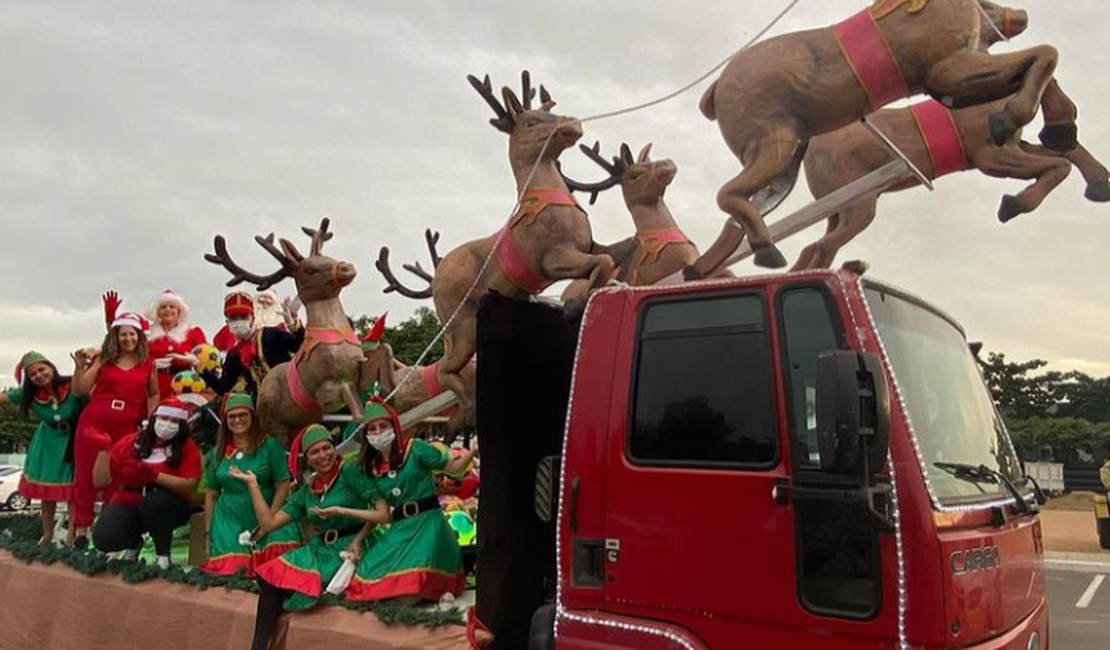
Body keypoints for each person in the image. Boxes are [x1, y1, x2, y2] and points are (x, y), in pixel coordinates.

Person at [229, 424, 389, 650]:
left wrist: (355, 532)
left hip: (352, 547)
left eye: (327, 448)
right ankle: (258, 646)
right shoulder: (306, 491)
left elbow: (380, 514)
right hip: (321, 549)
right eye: (315, 451)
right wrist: (253, 485)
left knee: (283, 585)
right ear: (307, 458)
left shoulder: (349, 471)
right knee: (268, 575)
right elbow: (268, 524)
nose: (323, 455)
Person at [347, 399, 475, 604]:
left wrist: (473, 451)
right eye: (372, 429)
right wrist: (358, 539)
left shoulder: (416, 449)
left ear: (394, 427)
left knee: (412, 586)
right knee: (364, 580)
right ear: (366, 435)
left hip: (428, 525)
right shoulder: (370, 470)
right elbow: (381, 513)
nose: (378, 432)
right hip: (399, 527)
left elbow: (454, 469)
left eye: (383, 426)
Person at [71, 305, 159, 548]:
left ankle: (108, 532)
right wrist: (79, 368)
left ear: (139, 336)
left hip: (126, 429)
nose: (128, 338)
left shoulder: (147, 363)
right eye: (123, 334)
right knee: (86, 476)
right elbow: (79, 390)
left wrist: (150, 422)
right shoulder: (104, 359)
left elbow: (153, 394)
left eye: (132, 334)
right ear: (116, 336)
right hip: (94, 423)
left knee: (118, 477)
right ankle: (80, 531)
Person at [89, 397, 202, 568]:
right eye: (164, 418)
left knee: (154, 503)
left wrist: (153, 476)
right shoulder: (130, 442)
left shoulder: (186, 447)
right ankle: (133, 543)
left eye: (174, 421)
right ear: (154, 419)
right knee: (104, 537)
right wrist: (104, 451)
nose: (167, 424)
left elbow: (189, 484)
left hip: (169, 504)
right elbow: (100, 481)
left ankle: (162, 555)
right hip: (130, 500)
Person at [200, 393, 300, 577]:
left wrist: (269, 520)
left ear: (253, 417)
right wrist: (208, 532)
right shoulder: (218, 452)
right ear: (225, 420)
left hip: (268, 511)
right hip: (228, 519)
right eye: (232, 416)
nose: (237, 420)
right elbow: (212, 494)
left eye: (243, 415)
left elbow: (283, 485)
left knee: (275, 570)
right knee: (231, 571)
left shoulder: (270, 446)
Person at [0, 352, 84, 544]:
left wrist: (81, 365)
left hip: (74, 440)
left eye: (41, 369)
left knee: (74, 491)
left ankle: (73, 535)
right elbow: (3, 397)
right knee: (47, 493)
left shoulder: (71, 384)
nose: (39, 375)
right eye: (32, 373)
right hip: (47, 443)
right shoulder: (27, 394)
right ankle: (47, 534)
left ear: (51, 367)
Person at [201, 291, 303, 396]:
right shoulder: (234, 354)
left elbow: (299, 346)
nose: (238, 321)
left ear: (253, 319)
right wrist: (199, 367)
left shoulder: (271, 334)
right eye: (233, 318)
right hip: (263, 405)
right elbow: (223, 388)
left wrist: (292, 322)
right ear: (228, 322)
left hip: (291, 396)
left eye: (243, 316)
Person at [146, 288, 208, 400]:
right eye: (163, 307)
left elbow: (205, 362)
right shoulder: (147, 334)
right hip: (153, 386)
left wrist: (187, 360)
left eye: (172, 307)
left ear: (179, 311)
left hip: (184, 386)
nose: (168, 310)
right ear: (157, 311)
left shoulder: (192, 334)